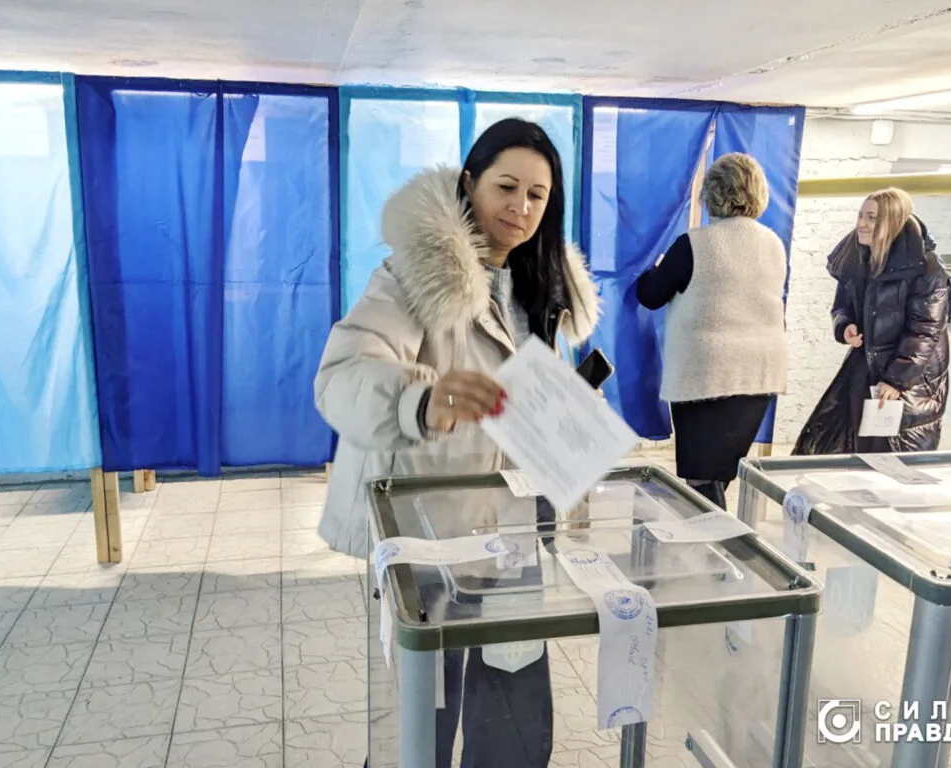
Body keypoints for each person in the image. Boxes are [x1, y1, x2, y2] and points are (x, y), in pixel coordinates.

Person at [314, 118, 599, 768]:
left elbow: (526, 409)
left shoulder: (539, 290)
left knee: (515, 715)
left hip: (512, 529)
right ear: (470, 183)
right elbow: (342, 375)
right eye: (506, 187)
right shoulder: (412, 275)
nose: (520, 207)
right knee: (425, 720)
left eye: (537, 195)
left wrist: (573, 418)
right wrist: (418, 401)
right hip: (430, 535)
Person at [635, 152, 787, 510]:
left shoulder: (696, 244)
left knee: (701, 479)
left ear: (712, 192)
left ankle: (718, 541)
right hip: (759, 374)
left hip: (707, 375)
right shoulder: (773, 244)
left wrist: (647, 269)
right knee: (719, 474)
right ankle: (723, 538)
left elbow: (651, 295)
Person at [793, 188, 949, 455]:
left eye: (872, 217)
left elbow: (925, 330)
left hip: (911, 378)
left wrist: (897, 380)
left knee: (894, 455)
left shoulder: (927, 268)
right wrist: (845, 326)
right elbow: (841, 306)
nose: (862, 224)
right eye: (860, 215)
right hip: (866, 365)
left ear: (893, 220)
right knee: (849, 444)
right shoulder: (856, 257)